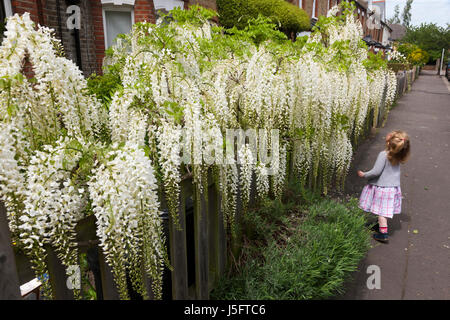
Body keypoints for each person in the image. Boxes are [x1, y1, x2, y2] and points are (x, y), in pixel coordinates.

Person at [358, 130, 411, 243]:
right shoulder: (398, 155)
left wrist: (364, 174)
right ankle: (379, 225)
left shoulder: (384, 155)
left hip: (383, 188)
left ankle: (383, 234)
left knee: (382, 213)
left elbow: (376, 171)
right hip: (393, 188)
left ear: (389, 143)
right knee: (384, 210)